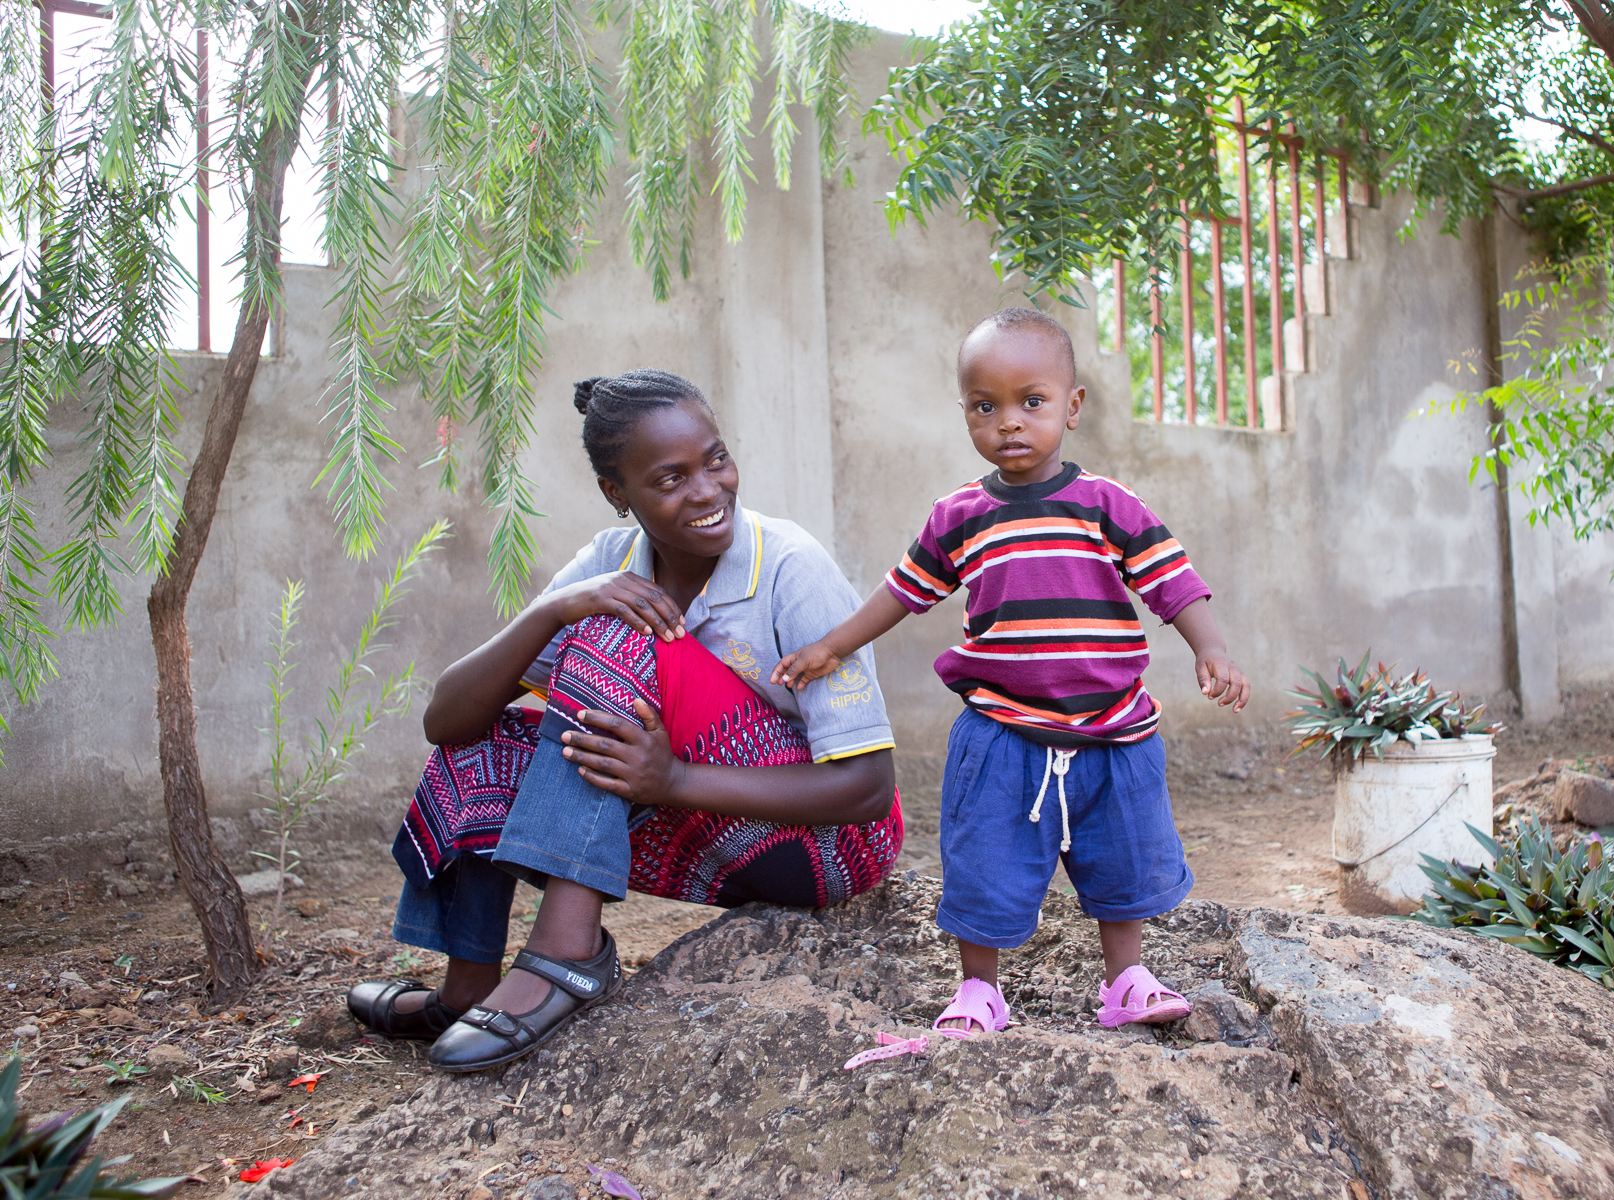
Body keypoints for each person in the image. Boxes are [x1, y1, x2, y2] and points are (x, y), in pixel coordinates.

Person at [347, 370, 903, 1072]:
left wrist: (671, 779)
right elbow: (446, 721)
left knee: (617, 633)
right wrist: (555, 607)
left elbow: (868, 791)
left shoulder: (791, 568)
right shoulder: (610, 563)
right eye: (670, 480)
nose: (707, 490)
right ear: (619, 495)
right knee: (486, 740)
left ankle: (566, 950)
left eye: (716, 460)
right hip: (702, 822)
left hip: (829, 845)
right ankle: (465, 992)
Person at [773, 308, 1248, 1037]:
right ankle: (979, 991)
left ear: (1073, 406)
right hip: (1001, 734)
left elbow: (1171, 580)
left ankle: (1125, 980)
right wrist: (833, 646)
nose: (1010, 423)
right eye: (985, 406)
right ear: (965, 412)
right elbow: (903, 591)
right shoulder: (959, 516)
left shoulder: (1107, 506)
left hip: (1113, 732)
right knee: (985, 863)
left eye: (1032, 402)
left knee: (1125, 862)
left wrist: (1209, 647)